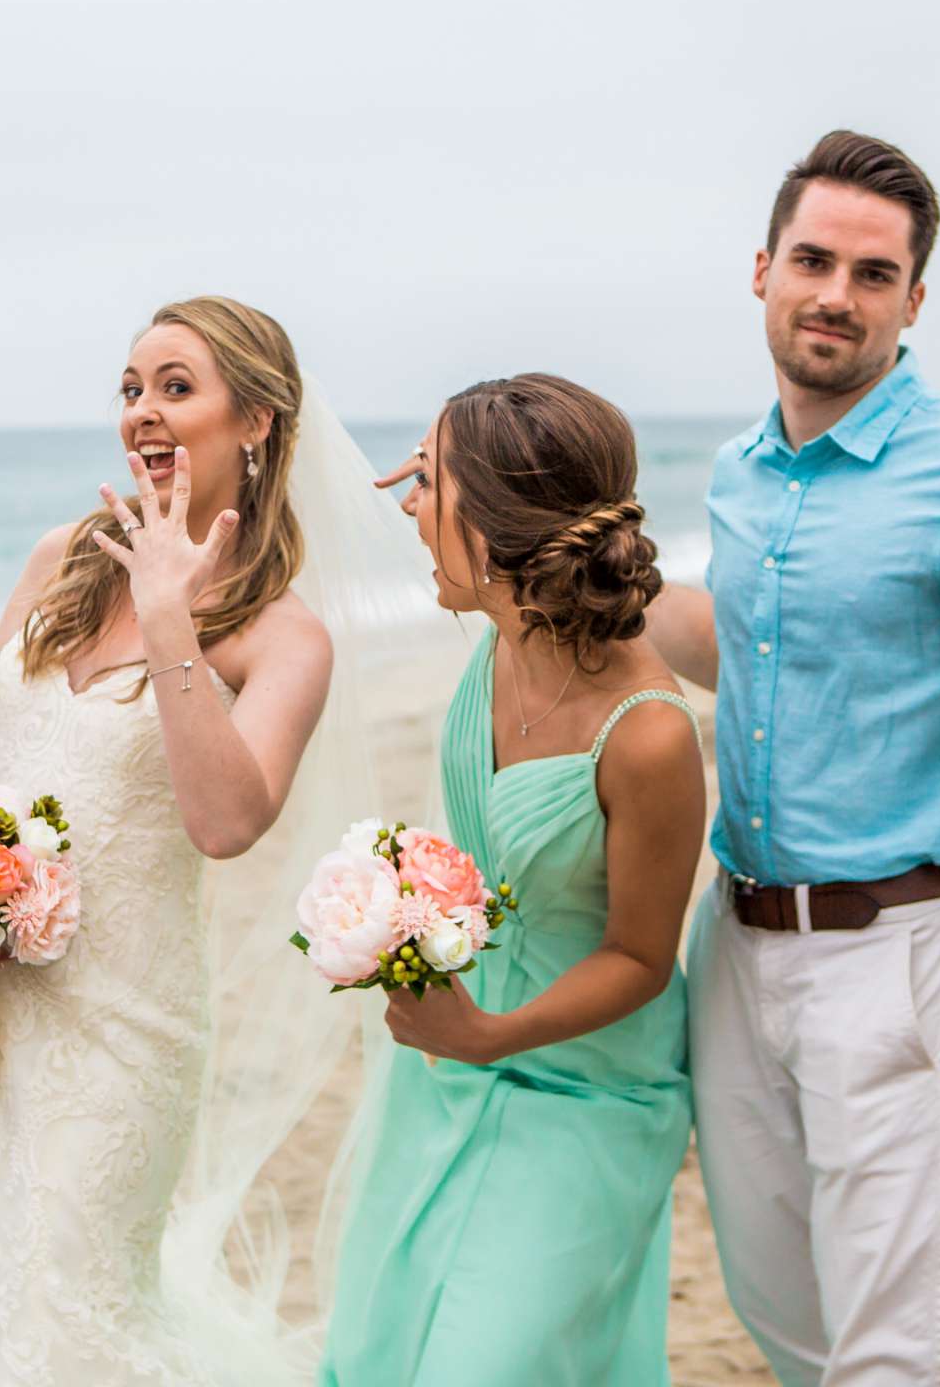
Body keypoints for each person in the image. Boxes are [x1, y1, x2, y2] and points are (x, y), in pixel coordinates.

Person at [643, 130, 940, 1384]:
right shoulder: (744, 471)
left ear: (913, 302)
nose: (836, 296)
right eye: (814, 260)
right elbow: (747, 642)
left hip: (906, 961)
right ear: (761, 270)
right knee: (789, 1328)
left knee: (891, 1358)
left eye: (873, 275)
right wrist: (552, 558)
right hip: (739, 951)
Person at [0, 297, 350, 1387]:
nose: (141, 414)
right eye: (128, 389)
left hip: (122, 1033)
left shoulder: (286, 634)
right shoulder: (61, 557)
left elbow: (224, 822)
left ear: (254, 420)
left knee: (67, 1305)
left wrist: (169, 619)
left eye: (175, 386)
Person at [323, 374, 706, 1386]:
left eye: (428, 481)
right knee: (384, 1345)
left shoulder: (650, 733)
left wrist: (488, 1034)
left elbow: (641, 953)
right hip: (447, 1063)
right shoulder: (494, 646)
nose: (407, 504)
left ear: (495, 526)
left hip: (585, 1086)